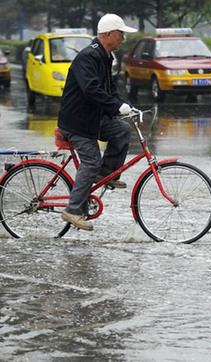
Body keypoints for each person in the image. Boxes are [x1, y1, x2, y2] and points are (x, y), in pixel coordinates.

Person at [57, 14, 137, 231]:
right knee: (91, 160)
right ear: (109, 34)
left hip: (92, 118)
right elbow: (91, 89)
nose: (123, 39)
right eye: (121, 34)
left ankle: (106, 173)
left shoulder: (105, 56)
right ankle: (73, 210)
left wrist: (124, 106)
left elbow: (109, 90)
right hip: (77, 122)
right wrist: (114, 107)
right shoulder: (88, 57)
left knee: (121, 130)